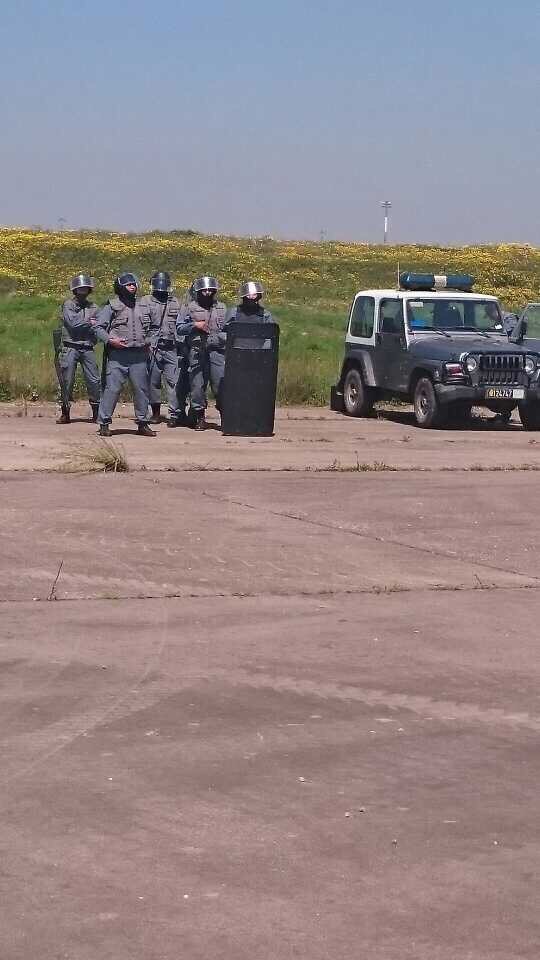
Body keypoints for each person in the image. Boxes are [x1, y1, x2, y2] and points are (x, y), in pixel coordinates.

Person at [93, 273, 155, 437]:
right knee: (112, 390)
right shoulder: (111, 306)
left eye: (134, 284)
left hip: (139, 355)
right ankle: (104, 423)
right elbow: (98, 328)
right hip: (118, 356)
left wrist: (149, 341)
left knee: (141, 390)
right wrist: (110, 340)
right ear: (120, 288)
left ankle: (143, 423)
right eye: (128, 285)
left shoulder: (144, 306)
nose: (132, 287)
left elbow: (154, 328)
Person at [176, 276, 227, 430]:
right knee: (197, 385)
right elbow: (179, 328)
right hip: (197, 351)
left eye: (210, 289)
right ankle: (199, 416)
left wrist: (221, 338)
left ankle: (226, 416)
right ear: (198, 291)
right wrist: (195, 325)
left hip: (217, 351)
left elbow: (229, 329)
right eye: (204, 290)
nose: (207, 292)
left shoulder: (222, 308)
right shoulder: (189, 307)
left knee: (221, 385)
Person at [139, 271, 185, 427]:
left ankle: (174, 414)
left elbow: (181, 324)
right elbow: (141, 325)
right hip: (153, 347)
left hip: (171, 346)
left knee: (173, 381)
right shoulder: (145, 301)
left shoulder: (175, 303)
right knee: (153, 381)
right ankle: (156, 413)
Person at [56, 274, 101, 424]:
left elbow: (99, 325)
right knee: (66, 380)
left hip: (87, 347)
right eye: (80, 288)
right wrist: (90, 321)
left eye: (85, 288)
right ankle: (65, 412)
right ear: (75, 290)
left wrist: (92, 326)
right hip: (70, 346)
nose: (83, 291)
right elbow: (73, 323)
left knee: (94, 380)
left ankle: (96, 412)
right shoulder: (68, 305)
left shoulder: (94, 307)